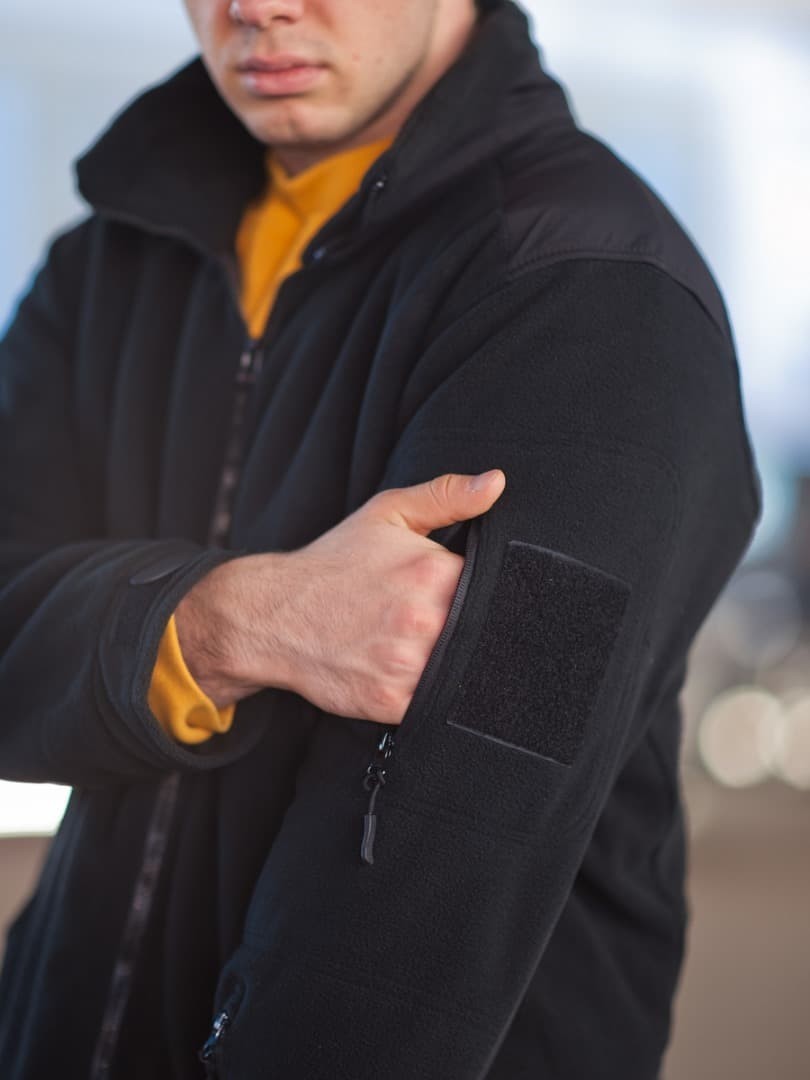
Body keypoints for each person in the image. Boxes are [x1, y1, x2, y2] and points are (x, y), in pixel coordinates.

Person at [0, 0, 762, 1077]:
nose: (255, 8)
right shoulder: (108, 261)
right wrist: (224, 624)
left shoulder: (593, 293)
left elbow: (436, 873)